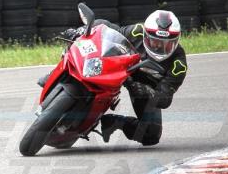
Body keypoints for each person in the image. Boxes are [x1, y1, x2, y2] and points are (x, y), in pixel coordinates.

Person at [40, 10, 187, 146]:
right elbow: (107, 28)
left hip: (142, 87)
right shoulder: (137, 31)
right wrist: (81, 31)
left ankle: (114, 122)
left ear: (176, 41)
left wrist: (145, 91)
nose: (159, 47)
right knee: (83, 44)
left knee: (151, 135)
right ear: (146, 35)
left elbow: (165, 98)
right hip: (121, 67)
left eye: (167, 44)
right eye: (155, 41)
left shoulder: (178, 64)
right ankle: (55, 74)